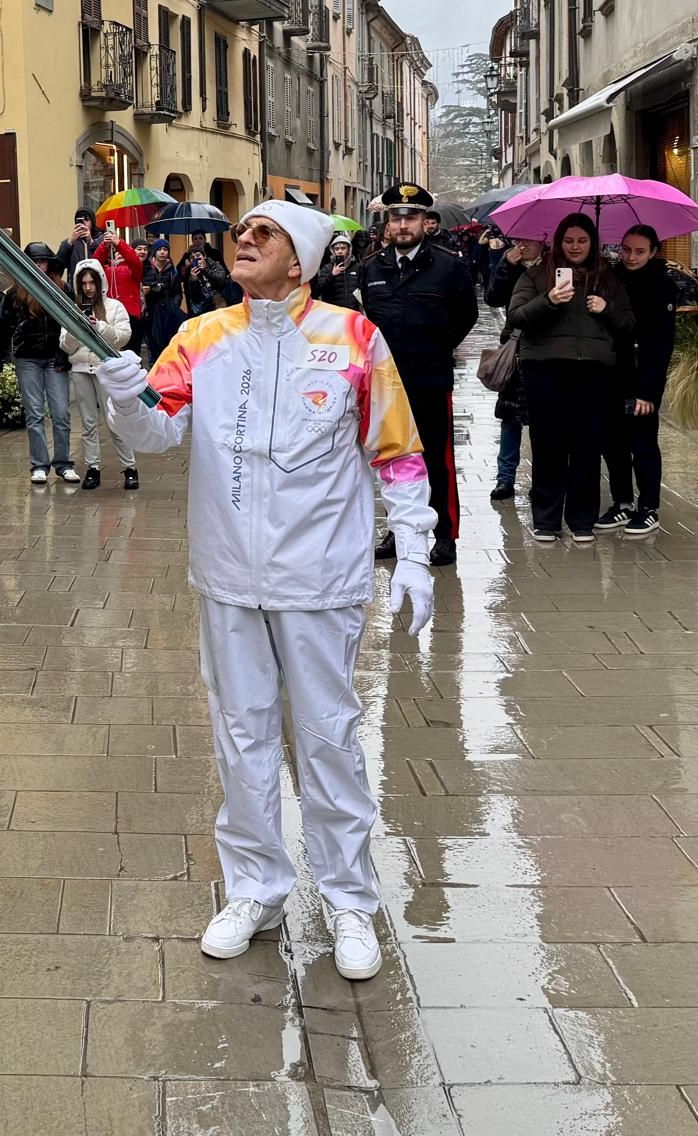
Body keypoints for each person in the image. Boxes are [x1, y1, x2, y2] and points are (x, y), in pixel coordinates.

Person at [95, 200, 434, 983]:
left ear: (300, 260)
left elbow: (397, 452)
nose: (242, 239)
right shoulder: (200, 336)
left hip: (318, 577)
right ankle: (255, 888)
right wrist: (123, 395)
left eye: (264, 233)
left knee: (326, 739)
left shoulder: (353, 338)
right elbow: (156, 433)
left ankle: (347, 899)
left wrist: (414, 552)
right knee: (240, 737)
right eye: (241, 231)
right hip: (228, 576)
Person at [359, 184, 478, 566]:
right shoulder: (373, 267)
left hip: (430, 379)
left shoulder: (448, 266)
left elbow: (467, 314)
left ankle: (445, 536)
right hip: (387, 383)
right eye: (396, 217)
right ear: (388, 222)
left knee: (436, 461)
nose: (402, 224)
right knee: (394, 459)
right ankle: (400, 530)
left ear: (425, 222)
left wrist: (437, 347)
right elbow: (367, 320)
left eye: (410, 217)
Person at [506, 212, 634, 543]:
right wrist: (548, 300)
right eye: (569, 241)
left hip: (593, 371)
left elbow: (627, 325)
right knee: (548, 444)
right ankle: (546, 520)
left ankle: (582, 520)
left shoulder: (607, 278)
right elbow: (516, 316)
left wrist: (605, 308)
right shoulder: (537, 274)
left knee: (587, 446)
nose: (575, 247)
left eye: (582, 241)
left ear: (592, 243)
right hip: (544, 369)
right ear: (558, 242)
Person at [598, 225, 677, 538]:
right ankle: (622, 502)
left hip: (640, 375)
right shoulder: (610, 278)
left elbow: (661, 343)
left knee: (642, 444)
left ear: (653, 251)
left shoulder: (662, 285)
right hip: (610, 374)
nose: (631, 256)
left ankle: (649, 508)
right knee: (613, 443)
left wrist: (648, 391)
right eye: (626, 249)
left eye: (640, 251)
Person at [0, 243, 78, 484]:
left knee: (61, 413)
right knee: (35, 414)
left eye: (42, 261)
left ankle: (63, 463)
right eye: (34, 262)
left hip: (55, 357)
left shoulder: (62, 289)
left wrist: (67, 354)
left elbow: (73, 324)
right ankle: (39, 465)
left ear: (49, 263)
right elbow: (4, 328)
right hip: (27, 358)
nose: (38, 266)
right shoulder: (16, 293)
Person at [61, 258, 137, 491]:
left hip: (107, 369)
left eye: (92, 282)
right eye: (83, 283)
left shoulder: (114, 307)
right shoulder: (72, 308)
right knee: (88, 423)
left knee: (114, 420)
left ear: (100, 281)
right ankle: (93, 468)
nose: (88, 288)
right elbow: (66, 346)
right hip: (81, 369)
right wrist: (77, 329)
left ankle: (130, 468)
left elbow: (124, 337)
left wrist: (101, 327)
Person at [484, 236, 543, 500]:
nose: (523, 245)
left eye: (529, 240)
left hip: (545, 350)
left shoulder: (554, 267)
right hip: (516, 349)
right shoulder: (511, 265)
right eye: (519, 240)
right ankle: (505, 478)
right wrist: (505, 265)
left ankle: (541, 479)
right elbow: (492, 298)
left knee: (543, 421)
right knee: (510, 417)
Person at [143, 237, 184, 353]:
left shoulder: (172, 271)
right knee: (152, 344)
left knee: (167, 344)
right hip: (151, 312)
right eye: (159, 249)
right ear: (154, 252)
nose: (162, 252)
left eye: (165, 249)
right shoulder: (148, 269)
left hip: (167, 312)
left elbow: (178, 292)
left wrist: (174, 306)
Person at [179, 232, 234, 316]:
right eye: (195, 239)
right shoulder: (188, 261)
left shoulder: (213, 259)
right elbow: (180, 278)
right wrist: (191, 276)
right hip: (198, 305)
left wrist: (205, 269)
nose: (198, 241)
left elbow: (221, 277)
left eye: (200, 238)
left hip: (216, 300)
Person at [312, 234, 362, 309]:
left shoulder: (357, 267)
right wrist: (332, 275)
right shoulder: (327, 268)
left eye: (343, 248)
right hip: (334, 311)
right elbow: (319, 290)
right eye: (337, 249)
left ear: (349, 250)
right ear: (333, 251)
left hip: (353, 310)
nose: (340, 251)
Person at [56, 207, 99, 282]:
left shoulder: (100, 239)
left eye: (86, 219)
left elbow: (104, 260)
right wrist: (70, 242)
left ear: (92, 221)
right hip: (76, 286)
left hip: (96, 285)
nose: (83, 223)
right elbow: (58, 265)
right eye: (80, 220)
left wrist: (91, 242)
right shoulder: (70, 243)